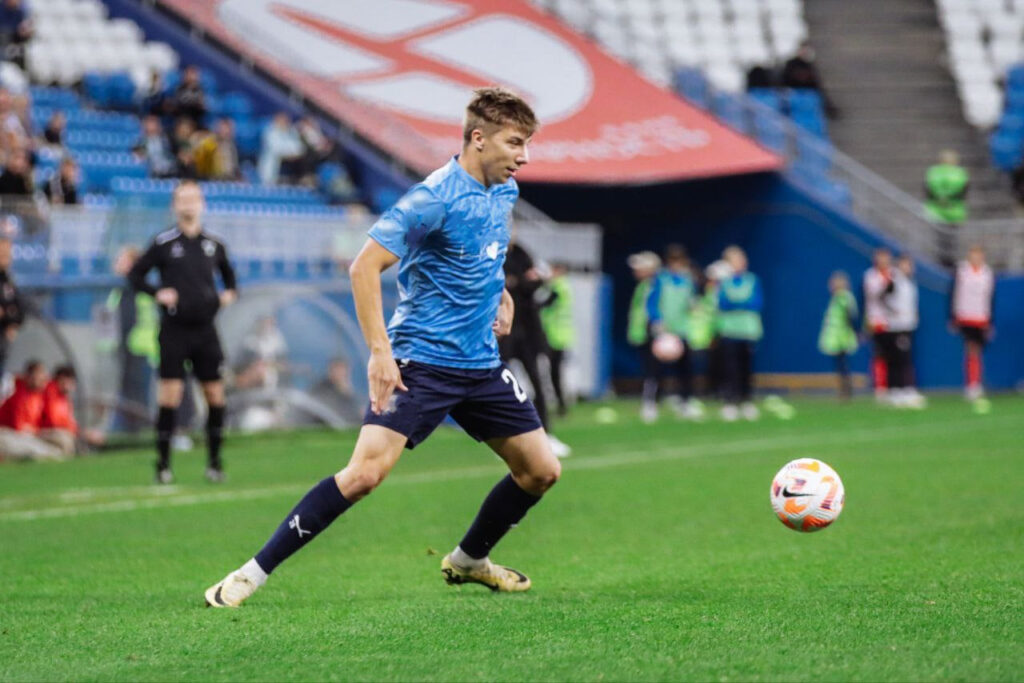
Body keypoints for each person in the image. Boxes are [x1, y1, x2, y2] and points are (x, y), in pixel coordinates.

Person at [203, 86, 560, 608]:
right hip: (422, 363)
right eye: (515, 143)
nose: (524, 156)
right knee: (364, 475)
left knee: (541, 471)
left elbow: (484, 250)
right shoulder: (432, 199)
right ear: (479, 139)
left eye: (527, 144)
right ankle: (248, 575)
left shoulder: (504, 192)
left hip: (481, 364)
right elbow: (364, 266)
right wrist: (380, 352)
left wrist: (500, 291)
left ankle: (468, 560)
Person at [127, 180, 237, 484]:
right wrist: (157, 292)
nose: (188, 204)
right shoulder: (164, 243)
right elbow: (135, 275)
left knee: (215, 394)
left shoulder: (214, 244)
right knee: (170, 395)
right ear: (175, 206)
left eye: (193, 198)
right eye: (182, 199)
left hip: (206, 330)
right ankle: (163, 465)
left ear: (202, 204)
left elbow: (230, 280)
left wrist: (227, 295)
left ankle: (214, 463)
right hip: (174, 330)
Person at [500, 239, 570, 457]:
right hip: (504, 334)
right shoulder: (495, 253)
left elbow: (534, 284)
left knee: (539, 384)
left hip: (530, 334)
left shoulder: (524, 254)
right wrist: (522, 282)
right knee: (500, 387)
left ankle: (546, 434)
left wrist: (518, 282)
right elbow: (503, 286)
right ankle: (504, 438)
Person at [643, 244, 703, 422]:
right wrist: (657, 321)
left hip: (681, 331)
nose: (676, 264)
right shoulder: (660, 279)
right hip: (663, 331)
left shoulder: (687, 280)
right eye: (673, 260)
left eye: (679, 260)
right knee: (655, 371)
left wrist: (694, 308)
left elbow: (692, 302)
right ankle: (651, 403)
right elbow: (651, 303)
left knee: (685, 370)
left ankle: (685, 402)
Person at [106, 245, 159, 432]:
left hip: (140, 348)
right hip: (125, 349)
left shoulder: (139, 288)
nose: (117, 263)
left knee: (139, 394)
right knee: (126, 392)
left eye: (122, 260)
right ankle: (127, 428)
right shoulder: (119, 289)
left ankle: (139, 429)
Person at [717, 245, 763, 421]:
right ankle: (730, 401)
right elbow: (723, 303)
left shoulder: (752, 280)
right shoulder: (724, 282)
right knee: (730, 368)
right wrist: (740, 304)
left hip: (748, 331)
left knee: (746, 368)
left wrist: (737, 304)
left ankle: (746, 401)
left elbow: (755, 303)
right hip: (729, 331)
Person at [950, 245, 994, 401]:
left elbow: (991, 297)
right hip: (966, 316)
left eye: (979, 255)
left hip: (981, 317)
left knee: (978, 351)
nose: (976, 258)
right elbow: (954, 293)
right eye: (973, 255)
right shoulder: (962, 271)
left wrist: (990, 321)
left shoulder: (987, 273)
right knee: (971, 349)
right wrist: (953, 316)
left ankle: (976, 382)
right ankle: (972, 384)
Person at [0, 360, 68, 461]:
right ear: (29, 377)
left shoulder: (39, 395)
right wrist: (37, 432)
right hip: (9, 433)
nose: (43, 380)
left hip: (30, 434)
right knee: (36, 449)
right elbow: (19, 427)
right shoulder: (18, 394)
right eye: (39, 376)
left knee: (62, 438)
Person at [625, 250, 660, 420]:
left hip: (652, 332)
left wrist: (655, 326)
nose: (636, 270)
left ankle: (650, 402)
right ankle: (649, 400)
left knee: (652, 369)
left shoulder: (654, 285)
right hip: (642, 333)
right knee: (647, 368)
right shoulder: (642, 286)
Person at [538, 261, 573, 417]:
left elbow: (545, 304)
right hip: (557, 336)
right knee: (554, 372)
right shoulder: (559, 286)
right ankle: (560, 404)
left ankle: (560, 404)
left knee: (554, 372)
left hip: (555, 337)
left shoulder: (559, 286)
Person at [889, 256, 925, 408]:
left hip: (908, 325)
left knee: (905, 358)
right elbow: (882, 297)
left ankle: (903, 389)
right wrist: (893, 311)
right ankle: (901, 390)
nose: (908, 268)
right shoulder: (894, 281)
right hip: (898, 326)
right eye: (905, 265)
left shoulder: (909, 282)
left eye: (909, 265)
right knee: (901, 359)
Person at [817, 270, 858, 401]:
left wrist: (853, 331)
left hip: (842, 336)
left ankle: (846, 390)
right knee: (840, 364)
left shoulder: (843, 297)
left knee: (843, 363)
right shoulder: (837, 297)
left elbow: (850, 316)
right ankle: (844, 389)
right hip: (838, 336)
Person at [924, 149, 968, 266]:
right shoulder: (960, 173)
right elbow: (963, 192)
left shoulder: (933, 172)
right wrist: (948, 199)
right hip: (952, 211)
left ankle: (944, 260)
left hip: (940, 210)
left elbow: (928, 190)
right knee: (948, 239)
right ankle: (946, 260)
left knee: (944, 238)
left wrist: (941, 198)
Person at [781, 41, 839, 118]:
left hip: (808, 92)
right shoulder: (791, 64)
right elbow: (785, 78)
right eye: (803, 50)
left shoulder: (808, 65)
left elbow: (815, 82)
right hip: (794, 92)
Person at [0, 236, 24, 378]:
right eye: (3, 253)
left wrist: (12, 321)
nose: (7, 257)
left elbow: (19, 308)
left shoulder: (7, 279)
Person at [258, 112, 303, 185]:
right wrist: (291, 154)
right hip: (272, 170)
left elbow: (299, 148)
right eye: (282, 121)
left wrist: (291, 153)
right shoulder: (270, 132)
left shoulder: (292, 132)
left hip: (290, 167)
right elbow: (277, 149)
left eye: (286, 121)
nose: (284, 123)